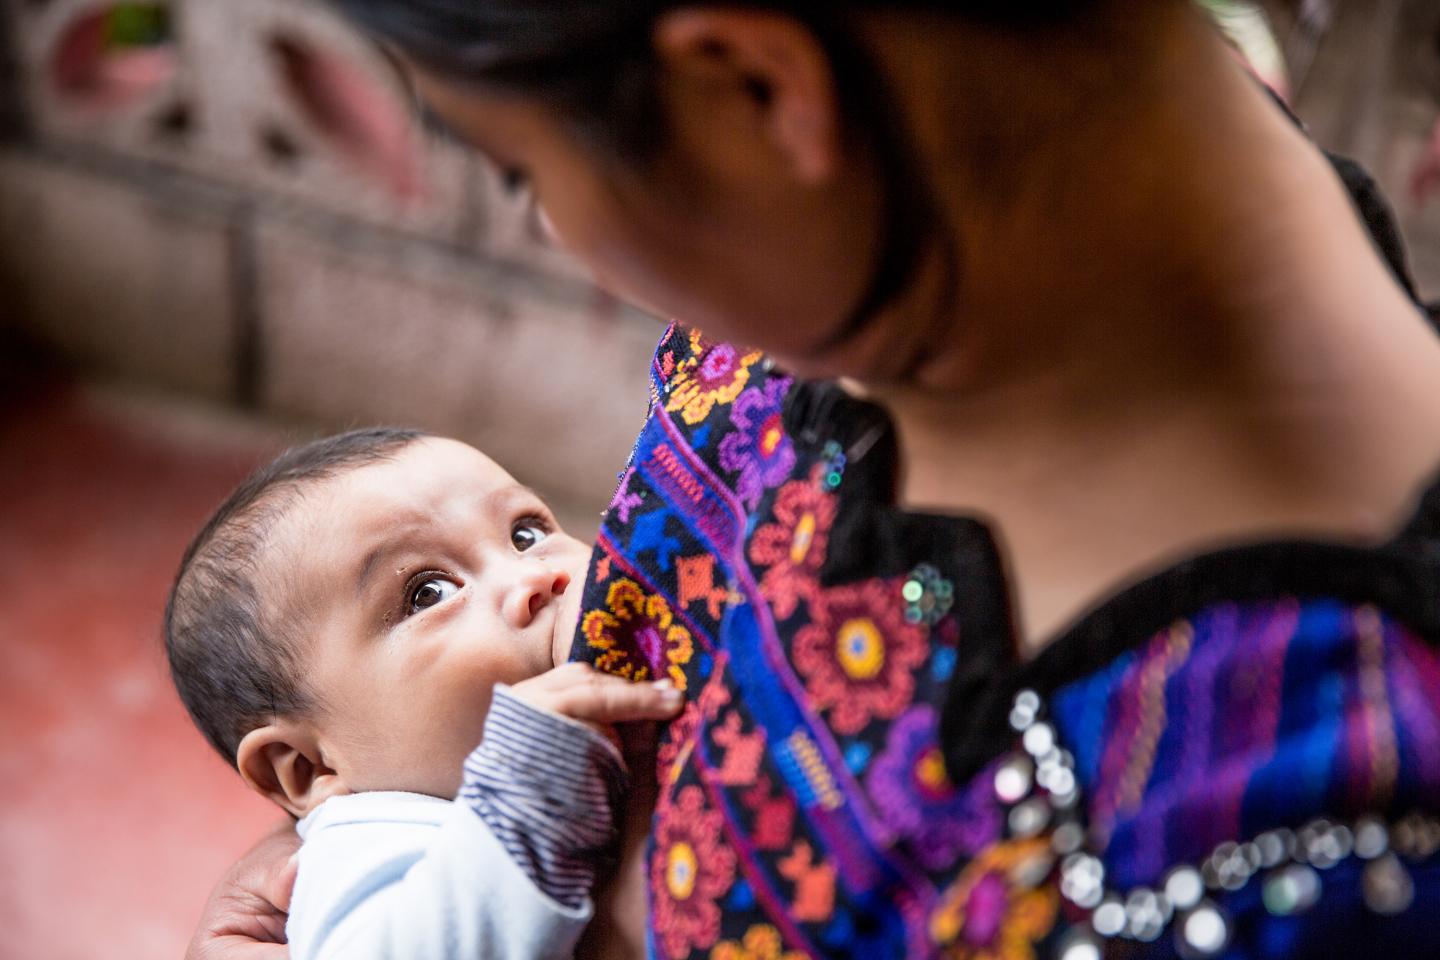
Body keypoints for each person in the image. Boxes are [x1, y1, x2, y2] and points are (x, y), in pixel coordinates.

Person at [190, 1, 1440, 958]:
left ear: (755, 83)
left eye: (521, 171)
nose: (556, 230)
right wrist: (392, 824)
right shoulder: (854, 278)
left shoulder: (1320, 836)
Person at [166, 428, 682, 959]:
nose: (533, 577)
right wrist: (520, 794)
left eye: (525, 533)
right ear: (309, 767)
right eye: (429, 592)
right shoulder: (368, 847)